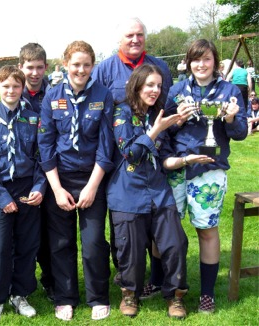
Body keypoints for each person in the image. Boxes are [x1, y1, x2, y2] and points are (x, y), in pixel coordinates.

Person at [161, 39, 247, 314]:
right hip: (177, 168)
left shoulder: (229, 91)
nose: (201, 64)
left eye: (206, 59)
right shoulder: (176, 90)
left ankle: (207, 294)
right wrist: (179, 120)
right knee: (164, 229)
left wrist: (232, 119)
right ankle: (157, 282)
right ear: (188, 62)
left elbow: (241, 132)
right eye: (196, 59)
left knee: (206, 231)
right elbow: (164, 131)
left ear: (215, 62)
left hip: (209, 170)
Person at [92, 16, 174, 282]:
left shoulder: (159, 66)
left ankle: (158, 276)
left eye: (139, 35)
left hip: (153, 156)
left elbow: (166, 109)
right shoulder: (104, 70)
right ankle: (126, 273)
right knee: (123, 221)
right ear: (119, 39)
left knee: (157, 221)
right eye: (129, 36)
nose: (135, 40)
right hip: (118, 160)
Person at [38, 40, 114, 321]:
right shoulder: (52, 96)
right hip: (60, 178)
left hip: (93, 177)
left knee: (93, 241)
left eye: (86, 65)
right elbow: (45, 145)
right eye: (75, 64)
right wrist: (56, 189)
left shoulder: (103, 95)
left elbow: (107, 147)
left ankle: (97, 296)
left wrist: (93, 187)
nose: (80, 70)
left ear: (92, 66)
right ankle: (65, 297)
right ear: (65, 65)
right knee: (61, 242)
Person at [107, 64, 189, 319]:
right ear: (137, 85)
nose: (155, 90)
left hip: (158, 189)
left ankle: (175, 296)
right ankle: (129, 293)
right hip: (127, 191)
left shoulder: (159, 114)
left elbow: (164, 152)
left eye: (158, 85)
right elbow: (131, 152)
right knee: (129, 248)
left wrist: (185, 157)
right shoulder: (121, 112)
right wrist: (157, 130)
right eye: (149, 85)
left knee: (175, 243)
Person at [0, 65, 46, 325]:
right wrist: (1, 197)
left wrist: (39, 188)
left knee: (28, 246)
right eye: (5, 86)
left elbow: (41, 158)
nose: (11, 90)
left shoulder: (33, 118)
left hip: (28, 189)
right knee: (2, 247)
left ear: (22, 89)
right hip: (1, 191)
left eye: (16, 86)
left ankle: (20, 294)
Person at [17, 42, 54, 301]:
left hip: (51, 172)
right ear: (21, 67)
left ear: (46, 67)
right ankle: (21, 283)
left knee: (50, 232)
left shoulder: (54, 93)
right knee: (24, 234)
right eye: (29, 67)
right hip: (21, 173)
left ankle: (51, 280)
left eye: (39, 67)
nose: (34, 73)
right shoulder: (13, 93)